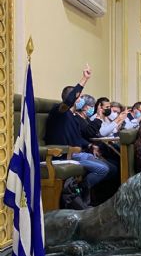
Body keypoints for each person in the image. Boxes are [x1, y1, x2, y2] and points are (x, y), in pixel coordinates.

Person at [44, 65, 113, 195]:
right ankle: (78, 192)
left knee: (110, 167)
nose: (81, 100)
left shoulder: (73, 116)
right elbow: (69, 101)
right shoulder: (58, 111)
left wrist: (90, 145)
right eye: (79, 97)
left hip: (78, 153)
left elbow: (77, 137)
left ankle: (88, 197)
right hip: (64, 155)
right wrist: (84, 79)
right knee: (103, 169)